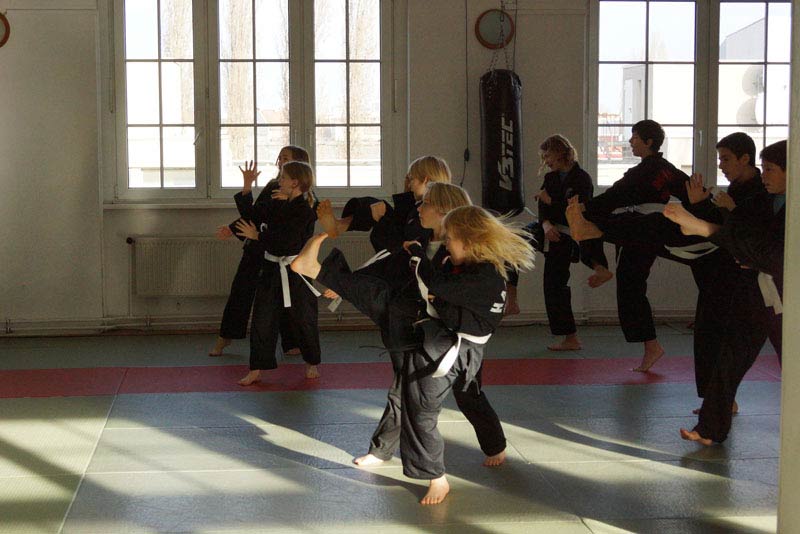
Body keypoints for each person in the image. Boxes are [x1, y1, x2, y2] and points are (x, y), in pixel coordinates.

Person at [290, 205, 534, 505]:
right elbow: (438, 286)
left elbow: (437, 285)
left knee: (424, 409)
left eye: (450, 239)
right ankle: (478, 454)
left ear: (470, 242)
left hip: (448, 349)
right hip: (447, 341)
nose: (446, 243)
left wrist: (418, 255)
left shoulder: (481, 277)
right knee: (393, 316)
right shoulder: (472, 266)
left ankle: (442, 474)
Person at [349, 183, 508, 470]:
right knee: (404, 388)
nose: (419, 208)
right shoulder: (420, 240)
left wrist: (435, 287)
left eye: (425, 204)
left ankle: (494, 443)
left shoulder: (467, 254)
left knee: (468, 394)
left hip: (456, 338)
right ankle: (382, 450)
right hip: (419, 329)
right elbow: (390, 264)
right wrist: (351, 282)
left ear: (444, 211)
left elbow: (452, 287)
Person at [663, 140, 786, 445]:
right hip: (756, 291)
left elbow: (774, 254)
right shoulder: (761, 201)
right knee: (730, 357)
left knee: (792, 363)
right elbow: (737, 231)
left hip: (786, 298)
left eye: (770, 169)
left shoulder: (790, 208)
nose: (764, 175)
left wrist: (707, 229)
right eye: (764, 168)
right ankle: (710, 429)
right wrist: (702, 211)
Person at [315, 155, 522, 314]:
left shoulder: (446, 225)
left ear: (426, 180)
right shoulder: (419, 210)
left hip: (405, 248)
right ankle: (339, 225)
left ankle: (341, 228)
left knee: (385, 215)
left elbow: (399, 255)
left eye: (412, 179)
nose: (409, 183)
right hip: (405, 246)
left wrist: (350, 282)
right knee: (376, 205)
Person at [566, 120, 690, 372]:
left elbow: (615, 195)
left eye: (635, 137)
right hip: (647, 231)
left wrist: (584, 207)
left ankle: (598, 262)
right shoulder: (668, 170)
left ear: (649, 142)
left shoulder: (645, 171)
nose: (631, 141)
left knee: (596, 227)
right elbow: (691, 192)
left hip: (642, 228)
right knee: (630, 284)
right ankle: (651, 346)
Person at [209, 146, 309, 358]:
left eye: (286, 158)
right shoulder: (274, 185)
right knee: (241, 291)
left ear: (298, 166)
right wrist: (246, 188)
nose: (281, 161)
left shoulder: (306, 197)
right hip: (256, 248)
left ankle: (291, 341)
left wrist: (289, 202)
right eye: (280, 157)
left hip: (282, 253)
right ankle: (225, 336)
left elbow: (301, 226)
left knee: (285, 298)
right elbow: (254, 214)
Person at [234, 160, 321, 384]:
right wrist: (247, 186)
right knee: (262, 318)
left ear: (295, 183)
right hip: (271, 269)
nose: (279, 181)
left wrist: (257, 236)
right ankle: (256, 368)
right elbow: (252, 215)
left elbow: (287, 241)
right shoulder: (278, 204)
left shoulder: (305, 211)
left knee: (304, 319)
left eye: (283, 178)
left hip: (296, 271)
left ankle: (311, 362)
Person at [536, 134, 612, 351]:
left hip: (579, 228)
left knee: (589, 244)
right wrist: (545, 224)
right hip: (556, 233)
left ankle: (600, 268)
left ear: (560, 153)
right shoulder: (551, 178)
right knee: (553, 284)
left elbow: (578, 209)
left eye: (548, 156)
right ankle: (570, 337)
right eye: (544, 157)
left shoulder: (582, 178)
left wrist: (551, 201)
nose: (546, 161)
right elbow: (542, 205)